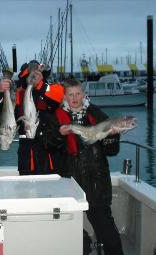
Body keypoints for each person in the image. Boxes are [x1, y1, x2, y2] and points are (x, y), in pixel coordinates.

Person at [43, 79, 124, 255]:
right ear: (65, 96)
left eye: (78, 93)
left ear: (84, 94)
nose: (74, 98)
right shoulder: (55, 117)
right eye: (70, 94)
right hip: (69, 181)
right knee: (66, 225)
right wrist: (58, 134)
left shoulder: (97, 114)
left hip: (97, 180)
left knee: (106, 229)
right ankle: (86, 244)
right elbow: (48, 145)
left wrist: (112, 136)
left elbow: (112, 151)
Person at [0, 60, 64, 175]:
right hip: (26, 154)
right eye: (30, 75)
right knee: (27, 189)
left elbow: (59, 98)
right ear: (24, 76)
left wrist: (38, 85)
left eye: (36, 74)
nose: (33, 77)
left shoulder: (53, 88)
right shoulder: (18, 94)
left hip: (51, 152)